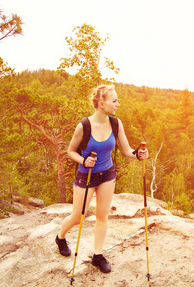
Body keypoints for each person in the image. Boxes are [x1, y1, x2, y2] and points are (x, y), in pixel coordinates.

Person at [55, 84, 149, 273]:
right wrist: (83, 160)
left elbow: (126, 150)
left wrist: (138, 154)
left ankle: (98, 256)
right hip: (86, 175)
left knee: (102, 216)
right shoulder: (84, 126)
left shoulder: (116, 123)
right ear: (101, 103)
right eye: (114, 101)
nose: (118, 104)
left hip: (107, 174)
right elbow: (70, 151)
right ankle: (60, 237)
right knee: (77, 217)